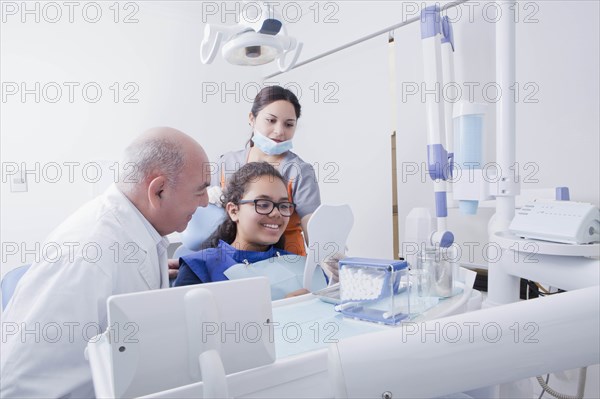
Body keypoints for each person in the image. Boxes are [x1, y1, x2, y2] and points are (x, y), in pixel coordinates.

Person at [0, 127, 211, 398]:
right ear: (158, 190)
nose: (206, 202)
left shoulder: (142, 232)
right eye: (200, 191)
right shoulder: (87, 253)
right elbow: (17, 381)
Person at [210, 85, 321, 256]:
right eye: (271, 120)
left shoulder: (299, 171)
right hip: (231, 257)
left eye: (289, 124)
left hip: (287, 261)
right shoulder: (227, 163)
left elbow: (312, 228)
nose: (279, 131)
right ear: (252, 118)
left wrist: (327, 252)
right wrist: (206, 198)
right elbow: (202, 219)